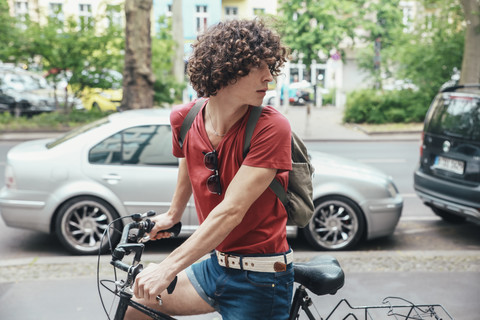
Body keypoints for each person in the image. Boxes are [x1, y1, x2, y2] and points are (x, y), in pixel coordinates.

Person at [127, 18, 292, 320]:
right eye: (260, 67)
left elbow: (231, 211)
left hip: (261, 277)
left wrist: (167, 267)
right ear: (228, 69)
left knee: (153, 286)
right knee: (137, 304)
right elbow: (188, 158)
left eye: (272, 67)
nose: (270, 78)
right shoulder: (185, 118)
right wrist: (173, 214)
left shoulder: (271, 127)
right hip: (215, 266)